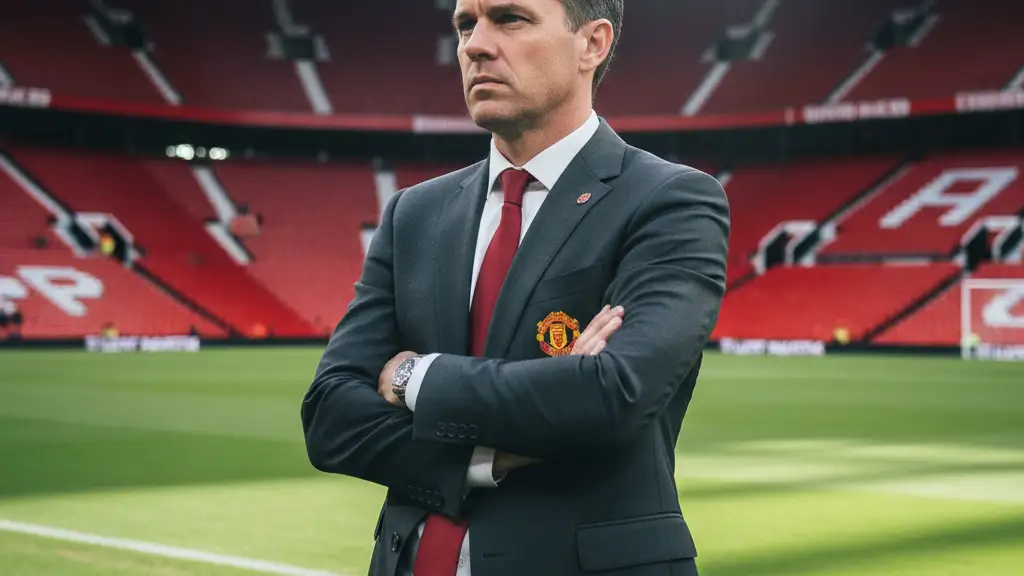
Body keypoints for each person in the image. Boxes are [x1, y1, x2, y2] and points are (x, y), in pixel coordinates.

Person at [300, 0, 730, 574]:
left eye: (510, 19)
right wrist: (493, 455)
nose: (475, 44)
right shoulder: (414, 213)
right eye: (464, 25)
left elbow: (613, 394)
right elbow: (329, 416)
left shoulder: (671, 201)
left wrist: (413, 376)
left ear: (593, 44)